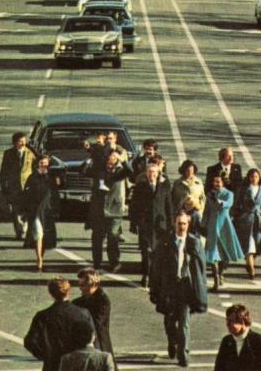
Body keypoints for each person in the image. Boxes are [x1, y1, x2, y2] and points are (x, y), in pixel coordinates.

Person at [149, 211, 207, 368]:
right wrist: (154, 288)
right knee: (169, 321)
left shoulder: (194, 243)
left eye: (184, 224)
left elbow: (201, 269)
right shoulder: (165, 242)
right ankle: (172, 340)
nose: (181, 226)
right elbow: (156, 267)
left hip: (185, 287)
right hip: (169, 288)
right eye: (179, 223)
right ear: (173, 224)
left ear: (188, 225)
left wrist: (200, 290)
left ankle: (183, 354)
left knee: (184, 322)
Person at [24, 276, 95, 371]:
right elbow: (92, 338)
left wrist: (46, 356)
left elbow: (30, 341)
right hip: (78, 364)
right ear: (68, 291)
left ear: (51, 293)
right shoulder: (83, 313)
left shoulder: (43, 316)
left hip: (53, 365)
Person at [130, 160, 173, 288]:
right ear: (146, 173)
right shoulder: (140, 186)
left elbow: (169, 206)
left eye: (154, 172)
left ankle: (156, 276)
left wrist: (171, 224)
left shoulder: (164, 187)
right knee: (145, 251)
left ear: (158, 173)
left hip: (160, 225)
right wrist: (133, 223)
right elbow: (134, 206)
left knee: (158, 252)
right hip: (145, 224)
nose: (152, 174)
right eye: (149, 172)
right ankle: (146, 275)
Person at [86, 150, 131, 272]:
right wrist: (88, 162)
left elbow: (130, 171)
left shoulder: (119, 172)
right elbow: (84, 172)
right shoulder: (100, 171)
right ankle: (97, 262)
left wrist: (123, 160)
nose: (110, 164)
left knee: (112, 235)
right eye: (108, 162)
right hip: (100, 209)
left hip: (115, 209)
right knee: (97, 237)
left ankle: (114, 262)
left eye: (112, 162)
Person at [201, 175, 244, 290]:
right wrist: (203, 225)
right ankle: (216, 279)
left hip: (224, 225)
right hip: (212, 226)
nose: (216, 184)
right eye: (214, 182)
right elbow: (206, 211)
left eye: (218, 182)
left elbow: (228, 204)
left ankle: (220, 273)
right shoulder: (210, 194)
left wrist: (218, 200)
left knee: (224, 254)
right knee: (212, 254)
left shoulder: (229, 194)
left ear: (223, 183)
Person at [214, 303, 261, 371]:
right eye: (228, 320)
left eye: (233, 321)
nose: (228, 324)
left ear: (243, 321)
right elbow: (219, 368)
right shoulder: (227, 341)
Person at [22, 154, 60, 271]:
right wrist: (25, 211)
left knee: (45, 236)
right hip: (35, 211)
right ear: (37, 164)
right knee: (39, 234)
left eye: (46, 163)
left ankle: (41, 255)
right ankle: (39, 259)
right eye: (42, 163)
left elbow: (56, 193)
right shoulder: (32, 178)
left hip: (47, 210)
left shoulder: (51, 178)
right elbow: (26, 195)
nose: (44, 165)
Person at [73, 268, 115, 360]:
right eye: (79, 285)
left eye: (83, 285)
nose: (80, 288)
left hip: (99, 345)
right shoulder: (78, 302)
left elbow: (97, 323)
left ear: (93, 284)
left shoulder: (103, 301)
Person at [0, 131, 35, 239]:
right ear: (14, 143)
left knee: (27, 209)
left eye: (24, 141)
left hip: (27, 186)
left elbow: (35, 169)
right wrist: (4, 186)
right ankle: (19, 231)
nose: (23, 144)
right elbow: (3, 171)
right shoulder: (8, 154)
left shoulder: (30, 153)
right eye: (20, 142)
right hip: (13, 187)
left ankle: (25, 226)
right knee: (15, 209)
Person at [233, 169, 261, 280]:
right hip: (245, 220)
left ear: (259, 178)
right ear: (248, 178)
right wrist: (236, 216)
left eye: (256, 176)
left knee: (257, 243)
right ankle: (251, 268)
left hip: (258, 220)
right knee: (249, 245)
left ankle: (250, 261)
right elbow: (237, 203)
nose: (254, 179)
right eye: (252, 176)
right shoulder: (243, 189)